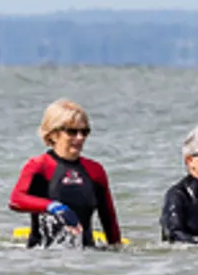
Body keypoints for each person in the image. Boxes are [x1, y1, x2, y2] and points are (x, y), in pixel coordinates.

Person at [9, 98, 122, 248]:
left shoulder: (95, 170)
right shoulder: (39, 165)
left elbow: (109, 219)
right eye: (72, 132)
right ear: (53, 134)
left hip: (87, 255)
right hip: (43, 256)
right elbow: (16, 200)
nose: (80, 137)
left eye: (84, 131)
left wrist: (118, 251)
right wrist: (53, 207)